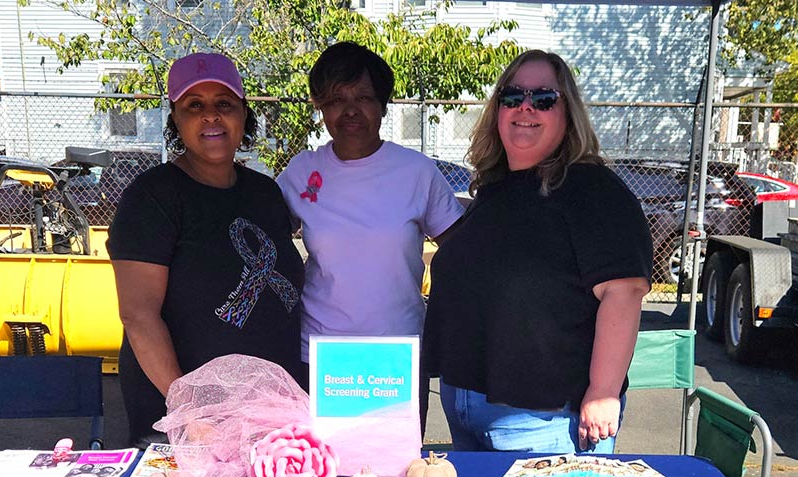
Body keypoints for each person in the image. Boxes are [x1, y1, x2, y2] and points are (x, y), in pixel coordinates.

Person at [423, 49, 652, 454]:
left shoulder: (592, 190)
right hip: (466, 409)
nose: (525, 107)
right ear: (498, 110)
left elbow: (624, 291)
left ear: (568, 113)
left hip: (543, 423)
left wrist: (602, 392)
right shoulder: (493, 190)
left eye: (543, 98)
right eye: (512, 97)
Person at [108, 53, 305, 446]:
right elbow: (138, 314)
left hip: (269, 413)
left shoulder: (265, 193)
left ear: (244, 115)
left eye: (224, 104)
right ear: (175, 119)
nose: (211, 116)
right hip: (190, 421)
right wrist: (188, 411)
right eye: (194, 106)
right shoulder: (152, 197)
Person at [276, 42, 465, 422]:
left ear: (383, 105)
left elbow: (463, 252)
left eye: (363, 97)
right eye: (335, 99)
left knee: (396, 471)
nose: (350, 111)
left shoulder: (417, 172)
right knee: (318, 470)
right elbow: (262, 238)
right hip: (320, 355)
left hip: (397, 355)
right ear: (319, 107)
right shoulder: (302, 172)